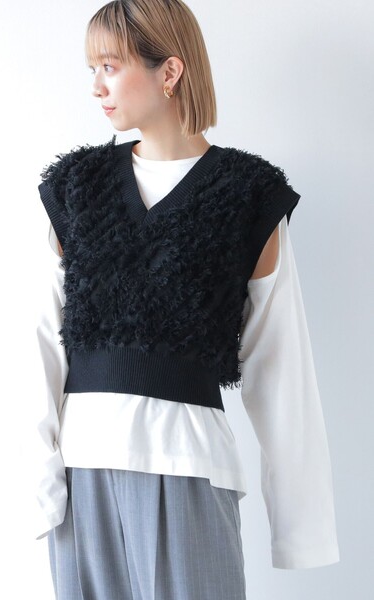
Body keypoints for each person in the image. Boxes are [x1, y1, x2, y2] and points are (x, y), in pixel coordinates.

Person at [35, 1, 340, 598]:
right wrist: (41, 480)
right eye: (92, 69)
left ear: (169, 71)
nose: (96, 86)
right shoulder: (76, 187)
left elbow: (281, 366)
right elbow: (41, 340)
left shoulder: (248, 195)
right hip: (82, 472)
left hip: (189, 466)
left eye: (110, 66)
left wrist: (301, 529)